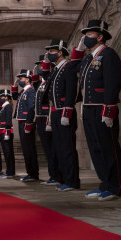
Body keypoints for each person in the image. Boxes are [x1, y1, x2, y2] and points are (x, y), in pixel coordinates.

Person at [74, 20, 121, 201]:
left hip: (103, 108)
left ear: (100, 36)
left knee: (108, 147)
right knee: (95, 147)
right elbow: (73, 68)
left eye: (89, 35)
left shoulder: (108, 54)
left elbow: (112, 83)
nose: (85, 38)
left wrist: (109, 109)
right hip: (88, 108)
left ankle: (115, 186)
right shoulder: (88, 58)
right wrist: (79, 50)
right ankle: (104, 183)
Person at [41, 39, 80, 192]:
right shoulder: (56, 69)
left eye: (51, 51)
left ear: (60, 52)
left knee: (67, 148)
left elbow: (71, 91)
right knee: (59, 148)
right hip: (56, 113)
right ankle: (63, 178)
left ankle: (72, 181)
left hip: (65, 112)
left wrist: (67, 112)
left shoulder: (68, 67)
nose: (48, 54)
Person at [33, 55, 61, 186]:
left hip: (46, 117)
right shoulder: (41, 83)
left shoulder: (49, 80)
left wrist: (48, 118)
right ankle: (52, 175)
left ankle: (56, 175)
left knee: (52, 149)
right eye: (38, 66)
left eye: (41, 66)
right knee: (47, 149)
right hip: (40, 118)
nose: (40, 68)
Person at [12, 69, 38, 182]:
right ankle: (30, 173)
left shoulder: (31, 91)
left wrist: (29, 123)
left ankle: (33, 173)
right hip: (22, 121)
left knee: (29, 149)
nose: (20, 81)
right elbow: (14, 97)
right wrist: (14, 85)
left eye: (21, 79)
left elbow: (31, 107)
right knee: (26, 149)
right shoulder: (23, 91)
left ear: (27, 80)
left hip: (26, 122)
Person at [0, 90, 16, 178]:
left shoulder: (7, 106)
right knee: (6, 153)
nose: (0, 99)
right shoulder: (4, 107)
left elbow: (8, 121)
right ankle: (9, 171)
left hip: (6, 132)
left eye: (2, 97)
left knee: (8, 153)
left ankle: (10, 172)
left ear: (6, 97)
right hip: (3, 131)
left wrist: (7, 133)